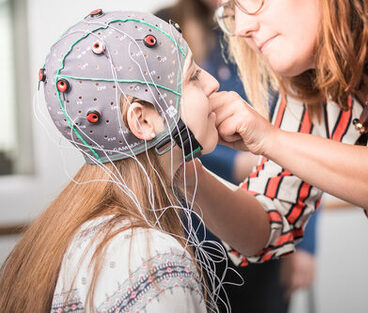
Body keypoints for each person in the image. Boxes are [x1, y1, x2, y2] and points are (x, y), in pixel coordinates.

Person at [180, 0, 368, 312]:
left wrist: (271, 139)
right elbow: (265, 225)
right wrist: (182, 171)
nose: (241, 29)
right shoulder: (309, 86)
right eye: (231, 13)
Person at [0, 10, 223, 313]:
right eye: (193, 76)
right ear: (142, 120)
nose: (211, 83)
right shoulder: (153, 263)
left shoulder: (79, 233)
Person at [155, 2, 319, 312]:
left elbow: (308, 150)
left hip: (266, 220)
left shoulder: (271, 37)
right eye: (192, 78)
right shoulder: (165, 26)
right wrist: (232, 162)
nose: (212, 86)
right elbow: (163, 132)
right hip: (192, 233)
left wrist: (305, 245)